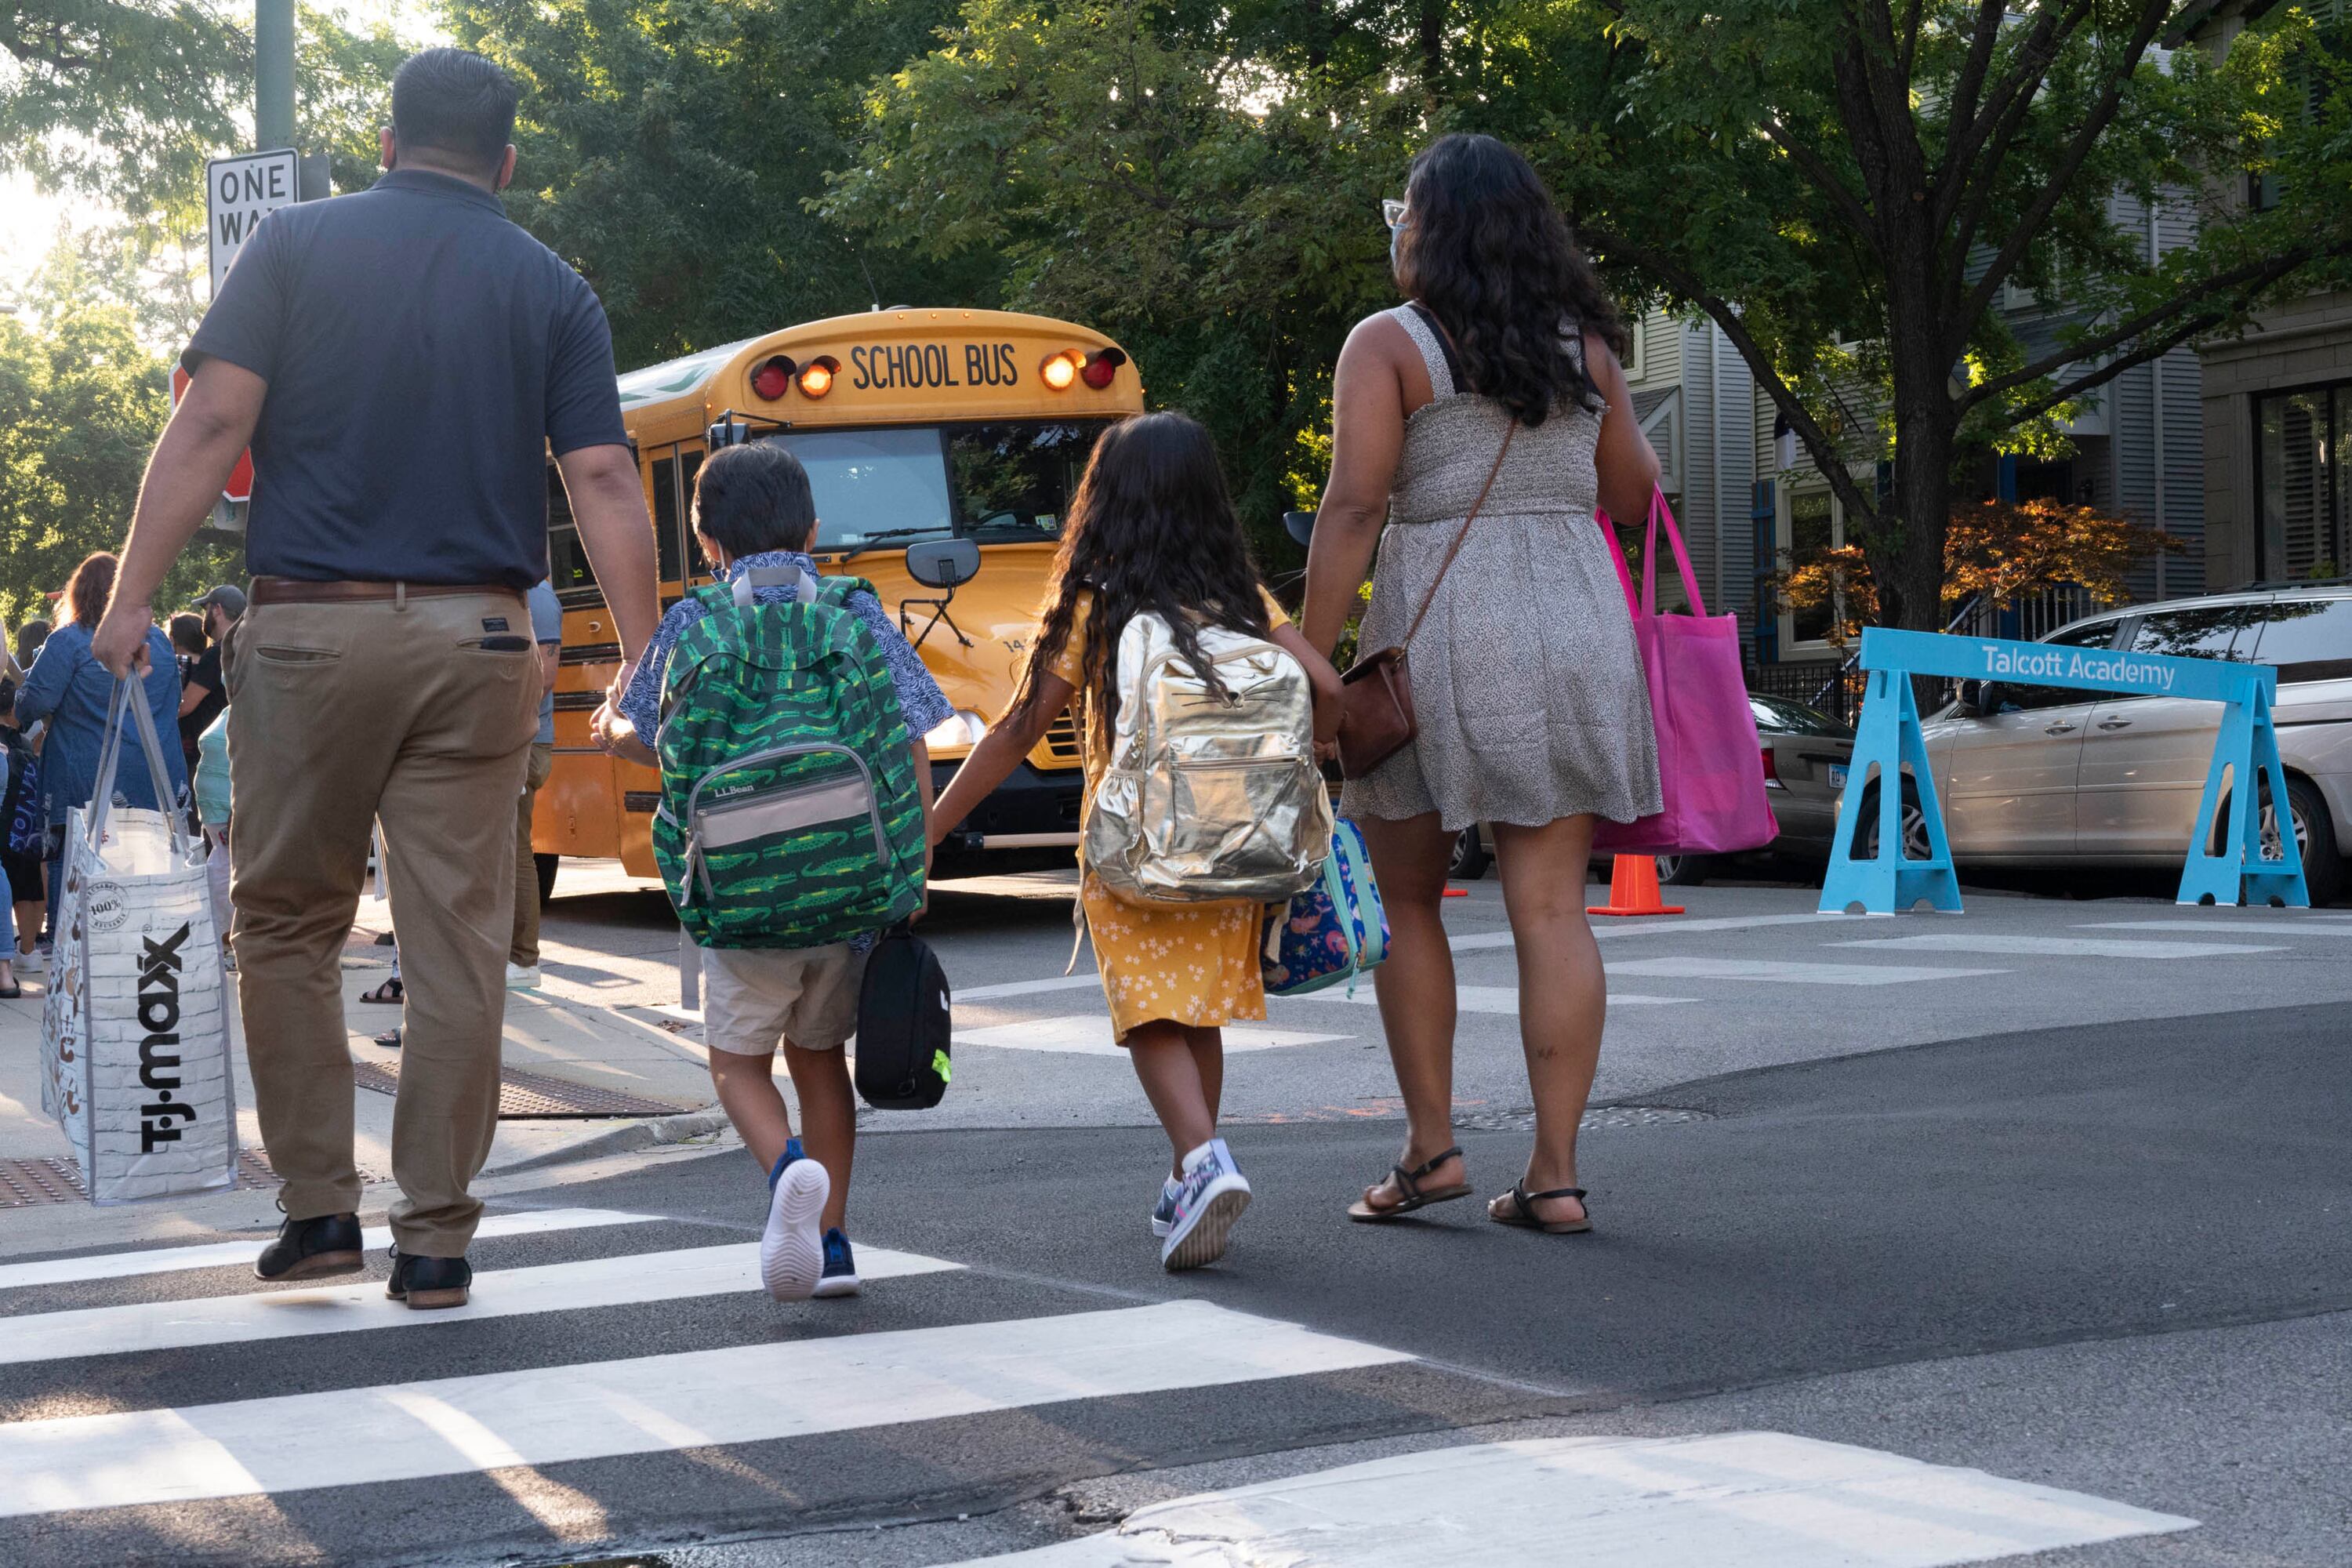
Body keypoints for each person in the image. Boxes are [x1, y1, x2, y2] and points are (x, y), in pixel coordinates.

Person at [92, 47, 661, 1312]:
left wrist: (131, 596)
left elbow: (211, 424)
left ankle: (318, 1215)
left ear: (389, 145)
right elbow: (605, 479)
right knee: (455, 941)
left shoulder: (292, 249)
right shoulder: (554, 289)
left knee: (287, 921)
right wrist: (643, 648)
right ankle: (440, 1238)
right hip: (479, 647)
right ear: (505, 165)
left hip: (307, 636)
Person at [1299, 134, 1663, 1238]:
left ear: (1431, 227)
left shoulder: (1390, 345)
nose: (1394, 229)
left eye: (1399, 211)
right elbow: (1638, 496)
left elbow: (1356, 507)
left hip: (1444, 628)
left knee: (1408, 892)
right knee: (1552, 907)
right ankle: (1554, 1175)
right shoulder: (1585, 348)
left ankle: (1432, 1148)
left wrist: (1314, 664)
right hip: (1578, 620)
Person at [929, 412, 1344, 1272]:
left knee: (1151, 1010)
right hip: (1240, 848)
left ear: (1105, 501)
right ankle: (1187, 1172)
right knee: (1198, 1015)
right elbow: (1327, 688)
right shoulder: (1242, 602)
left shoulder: (1098, 602)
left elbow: (1015, 731)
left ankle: (1202, 1160)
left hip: (1136, 850)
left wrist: (931, 827)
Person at [594, 443, 951, 1302]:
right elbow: (912, 738)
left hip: (742, 894)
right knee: (820, 1058)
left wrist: (610, 716)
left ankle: (786, 1166)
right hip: (849, 888)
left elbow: (650, 740)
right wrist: (915, 862)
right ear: (815, 529)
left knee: (737, 1064)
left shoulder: (693, 625)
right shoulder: (855, 612)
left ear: (707, 540)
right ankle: (831, 1245)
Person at [17, 554, 187, 921]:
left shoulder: (69, 642)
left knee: (82, 875)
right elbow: (172, 702)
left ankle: (83, 965)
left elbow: (34, 702)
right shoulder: (157, 641)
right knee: (153, 871)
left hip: (87, 779)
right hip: (155, 777)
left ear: (78, 594)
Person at [506, 577, 562, 990]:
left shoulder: (538, 596)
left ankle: (524, 961)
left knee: (514, 849)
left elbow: (545, 674)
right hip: (517, 740)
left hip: (524, 742)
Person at [0, 682, 43, 975]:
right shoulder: (26, 747)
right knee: (29, 884)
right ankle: (27, 950)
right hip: (24, 832)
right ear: (15, 709)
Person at [179, 585, 241, 777]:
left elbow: (185, 706)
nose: (204, 617)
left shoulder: (217, 654)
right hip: (235, 748)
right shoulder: (244, 647)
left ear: (217, 610)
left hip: (207, 755)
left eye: (206, 610)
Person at [193, 706, 233, 969]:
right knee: (219, 873)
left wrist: (238, 808)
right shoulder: (231, 709)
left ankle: (230, 944)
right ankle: (223, 943)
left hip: (230, 810)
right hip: (215, 811)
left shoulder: (255, 708)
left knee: (223, 876)